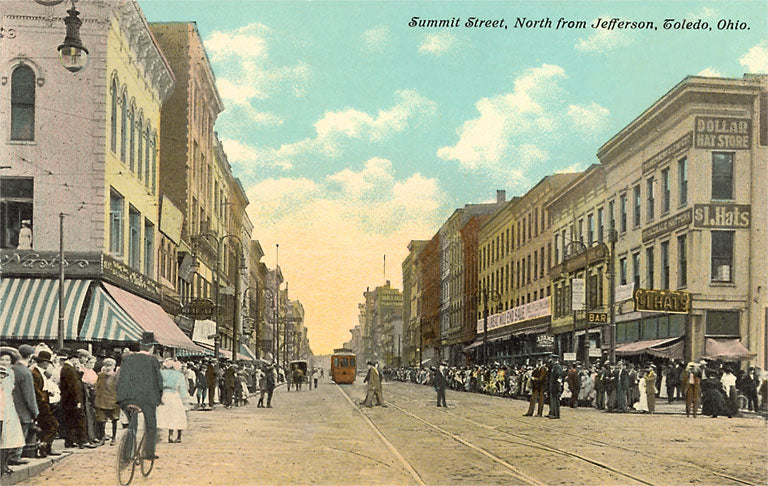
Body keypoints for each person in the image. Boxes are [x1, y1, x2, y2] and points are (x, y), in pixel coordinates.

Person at [116, 334, 163, 460]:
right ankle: (149, 453)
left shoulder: (128, 359)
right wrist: (159, 398)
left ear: (140, 345)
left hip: (128, 398)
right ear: (151, 347)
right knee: (151, 425)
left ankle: (126, 454)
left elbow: (121, 379)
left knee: (132, 424)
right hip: (147, 398)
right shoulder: (153, 361)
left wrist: (121, 398)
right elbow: (158, 381)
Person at [10, 345, 38, 464]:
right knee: (20, 435)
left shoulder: (12, 369)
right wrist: (35, 412)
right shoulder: (26, 372)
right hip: (22, 410)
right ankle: (15, 456)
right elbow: (29, 395)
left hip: (11, 407)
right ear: (30, 356)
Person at [59, 348, 92, 449]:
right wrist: (77, 400)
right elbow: (73, 386)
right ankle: (82, 440)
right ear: (73, 358)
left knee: (71, 419)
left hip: (69, 399)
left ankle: (71, 441)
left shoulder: (68, 368)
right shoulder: (68, 369)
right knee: (79, 418)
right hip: (72, 399)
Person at [30, 350, 60, 458]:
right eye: (47, 363)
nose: (47, 365)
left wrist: (48, 393)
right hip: (41, 404)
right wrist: (43, 398)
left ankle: (46, 448)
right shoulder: (35, 373)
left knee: (46, 426)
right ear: (44, 363)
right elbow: (36, 390)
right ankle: (44, 446)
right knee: (53, 425)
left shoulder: (41, 373)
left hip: (45, 402)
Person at [1, 347, 24, 476]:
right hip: (1, 407)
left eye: (7, 360)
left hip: (9, 407)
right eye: (2, 359)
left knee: (9, 439)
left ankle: (5, 464)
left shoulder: (11, 373)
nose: (4, 362)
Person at [157, 360, 188, 443]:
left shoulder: (161, 373)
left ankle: (170, 435)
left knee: (168, 416)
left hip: (164, 395)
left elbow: (157, 386)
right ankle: (179, 436)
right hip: (175, 395)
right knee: (178, 415)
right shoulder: (179, 375)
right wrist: (184, 398)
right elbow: (182, 388)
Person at [94, 358, 120, 446]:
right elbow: (97, 387)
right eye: (106, 365)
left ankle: (114, 437)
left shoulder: (117, 376)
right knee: (101, 420)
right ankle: (102, 437)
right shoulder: (100, 375)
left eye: (110, 365)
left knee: (114, 420)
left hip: (113, 401)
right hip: (101, 401)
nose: (108, 368)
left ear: (114, 366)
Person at [546, 355, 563, 419]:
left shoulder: (557, 367)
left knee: (555, 400)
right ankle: (552, 412)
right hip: (553, 386)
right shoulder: (554, 366)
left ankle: (556, 414)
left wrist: (556, 384)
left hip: (555, 386)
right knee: (552, 400)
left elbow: (558, 376)